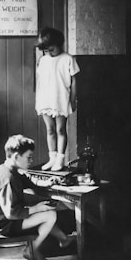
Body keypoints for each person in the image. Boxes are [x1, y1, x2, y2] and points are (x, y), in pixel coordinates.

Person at [0, 134, 76, 260]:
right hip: (5, 225)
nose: (31, 161)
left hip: (6, 219)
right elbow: (11, 213)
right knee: (49, 215)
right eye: (28, 157)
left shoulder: (9, 169)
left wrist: (46, 183)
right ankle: (32, 249)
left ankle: (63, 238)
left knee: (45, 209)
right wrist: (36, 208)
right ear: (16, 157)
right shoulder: (7, 178)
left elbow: (28, 180)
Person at [35, 27, 80, 171]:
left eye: (51, 49)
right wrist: (39, 100)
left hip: (60, 99)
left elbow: (74, 82)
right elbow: (40, 82)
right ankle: (52, 158)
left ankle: (60, 158)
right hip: (46, 99)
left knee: (60, 129)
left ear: (59, 44)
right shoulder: (43, 60)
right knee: (50, 130)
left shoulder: (68, 59)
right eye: (46, 50)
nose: (49, 53)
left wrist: (73, 100)